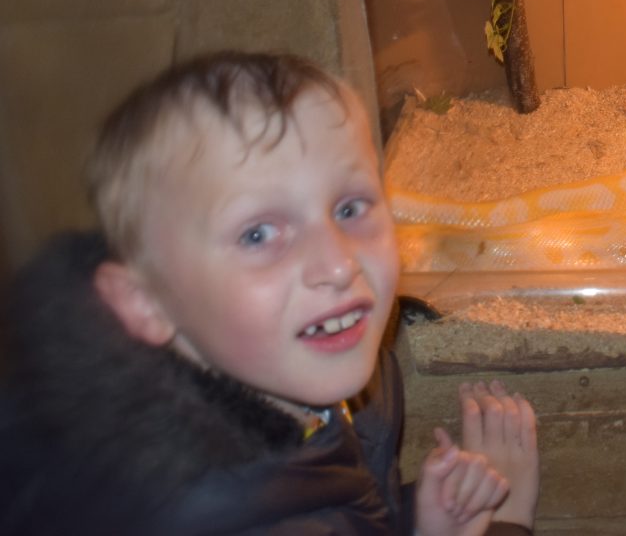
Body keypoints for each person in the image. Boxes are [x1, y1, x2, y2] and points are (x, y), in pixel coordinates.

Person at [0, 52, 539, 536]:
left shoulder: (290, 366)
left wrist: (418, 521)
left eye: (349, 208)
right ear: (146, 303)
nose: (338, 264)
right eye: (258, 234)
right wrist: (506, 525)